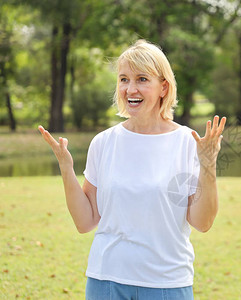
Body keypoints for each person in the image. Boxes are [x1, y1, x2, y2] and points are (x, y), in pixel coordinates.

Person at [38, 39, 226, 300]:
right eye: (124, 79)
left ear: (163, 87)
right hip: (107, 280)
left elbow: (202, 222)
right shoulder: (104, 142)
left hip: (167, 283)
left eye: (141, 79)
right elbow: (85, 221)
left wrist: (208, 165)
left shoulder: (187, 142)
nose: (130, 88)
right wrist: (67, 169)